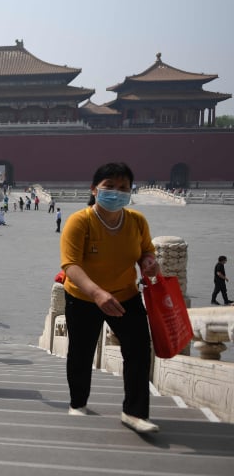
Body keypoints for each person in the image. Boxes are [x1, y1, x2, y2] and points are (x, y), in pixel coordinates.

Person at [60, 162, 161, 433]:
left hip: (125, 296)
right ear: (94, 190)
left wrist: (149, 261)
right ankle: (78, 404)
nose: (116, 193)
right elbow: (71, 265)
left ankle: (135, 412)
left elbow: (146, 250)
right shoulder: (79, 221)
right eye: (109, 187)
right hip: (82, 297)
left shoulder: (137, 221)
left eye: (123, 188)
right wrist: (97, 293)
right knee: (81, 353)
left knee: (139, 350)